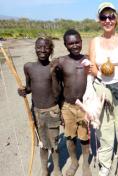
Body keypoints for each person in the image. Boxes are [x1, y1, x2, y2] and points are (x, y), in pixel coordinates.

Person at [88, 2, 118, 176]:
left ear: (116, 19)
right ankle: (105, 164)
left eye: (111, 16)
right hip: (102, 89)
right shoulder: (95, 41)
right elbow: (92, 66)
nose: (107, 20)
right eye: (103, 17)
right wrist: (98, 72)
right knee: (104, 130)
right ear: (99, 20)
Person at [18, 37, 62, 176]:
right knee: (43, 144)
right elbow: (30, 87)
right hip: (36, 112)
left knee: (54, 144)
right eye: (39, 47)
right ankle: (44, 169)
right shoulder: (28, 67)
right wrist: (24, 90)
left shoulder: (54, 68)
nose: (42, 50)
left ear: (51, 50)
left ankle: (57, 169)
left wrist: (53, 73)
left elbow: (57, 92)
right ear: (35, 48)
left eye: (46, 47)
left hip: (52, 111)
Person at [51, 29, 92, 176]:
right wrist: (54, 73)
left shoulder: (88, 59)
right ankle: (74, 162)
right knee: (70, 136)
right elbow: (56, 88)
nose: (75, 45)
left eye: (77, 42)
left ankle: (86, 164)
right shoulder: (61, 62)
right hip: (67, 106)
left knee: (85, 137)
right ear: (66, 45)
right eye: (71, 43)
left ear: (81, 41)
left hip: (84, 106)